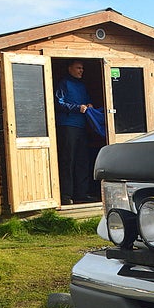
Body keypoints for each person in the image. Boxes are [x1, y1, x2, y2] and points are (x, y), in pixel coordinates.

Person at [55, 60, 95, 204]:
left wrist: (89, 105)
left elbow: (87, 101)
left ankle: (81, 195)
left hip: (81, 127)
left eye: (82, 68)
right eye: (78, 68)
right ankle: (66, 196)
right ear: (70, 68)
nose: (81, 71)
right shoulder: (64, 83)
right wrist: (76, 108)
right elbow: (58, 103)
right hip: (67, 126)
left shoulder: (82, 85)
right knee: (68, 160)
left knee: (82, 161)